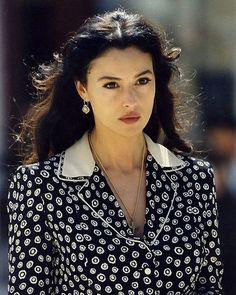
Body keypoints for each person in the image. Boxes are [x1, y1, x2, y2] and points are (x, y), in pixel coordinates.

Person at [7, 8, 223, 295]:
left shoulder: (196, 180)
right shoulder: (39, 188)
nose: (129, 100)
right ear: (83, 89)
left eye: (142, 81)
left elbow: (209, 287)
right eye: (111, 85)